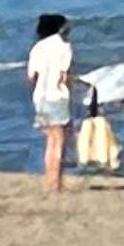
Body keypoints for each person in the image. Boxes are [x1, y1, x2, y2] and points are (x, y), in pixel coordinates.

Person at [26, 10, 76, 192]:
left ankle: (49, 180)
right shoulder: (64, 47)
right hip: (57, 96)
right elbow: (64, 77)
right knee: (60, 140)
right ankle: (56, 183)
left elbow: (31, 77)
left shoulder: (37, 48)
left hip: (40, 97)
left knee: (49, 141)